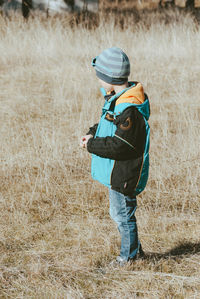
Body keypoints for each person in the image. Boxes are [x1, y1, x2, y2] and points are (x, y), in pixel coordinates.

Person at [80, 47, 150, 266]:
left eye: (100, 77)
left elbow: (121, 145)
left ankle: (128, 258)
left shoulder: (128, 108)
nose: (99, 82)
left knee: (123, 216)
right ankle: (135, 251)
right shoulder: (117, 99)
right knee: (119, 212)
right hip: (117, 171)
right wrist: (93, 133)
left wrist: (92, 145)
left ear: (109, 78)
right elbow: (108, 124)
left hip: (124, 172)